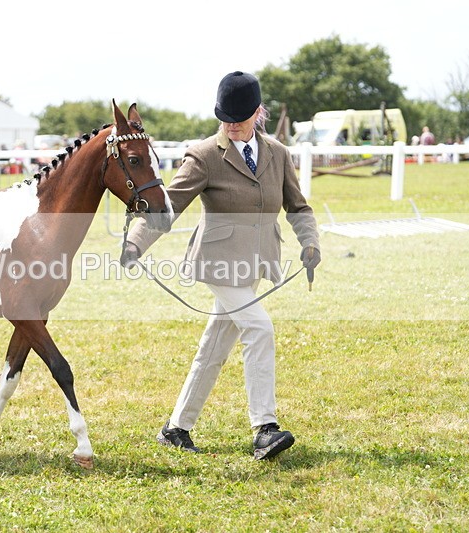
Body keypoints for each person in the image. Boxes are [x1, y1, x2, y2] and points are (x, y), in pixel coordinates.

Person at [121, 71, 321, 460]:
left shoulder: (278, 153)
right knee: (260, 329)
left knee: (213, 347)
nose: (230, 125)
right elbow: (171, 203)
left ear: (258, 113)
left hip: (256, 265)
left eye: (239, 118)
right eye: (225, 117)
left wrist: (310, 242)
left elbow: (298, 206)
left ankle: (176, 428)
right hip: (218, 264)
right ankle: (265, 427)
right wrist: (136, 242)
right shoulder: (204, 154)